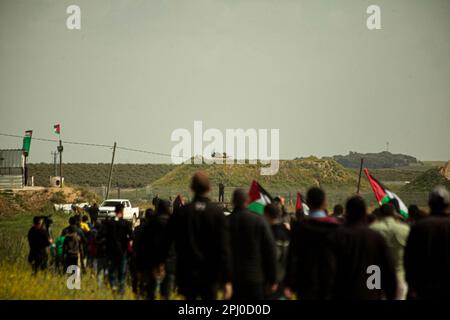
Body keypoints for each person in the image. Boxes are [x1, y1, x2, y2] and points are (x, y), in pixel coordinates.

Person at [162, 171, 232, 300]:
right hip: (211, 272)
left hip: (186, 271)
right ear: (210, 188)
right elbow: (224, 248)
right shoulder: (217, 213)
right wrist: (227, 278)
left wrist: (161, 263)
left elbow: (166, 241)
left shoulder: (181, 213)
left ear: (192, 188)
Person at [332, 196, 397, 300]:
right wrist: (390, 293)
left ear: (347, 213)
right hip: (370, 292)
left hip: (342, 293)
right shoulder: (375, 237)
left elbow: (328, 268)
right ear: (364, 213)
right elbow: (388, 268)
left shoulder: (336, 236)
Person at [285, 187, 340, 299]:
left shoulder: (299, 229)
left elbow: (292, 257)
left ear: (308, 203)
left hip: (305, 282)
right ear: (325, 203)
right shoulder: (337, 229)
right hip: (331, 282)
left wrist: (290, 284)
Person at [227, 189, 277, 300]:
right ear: (248, 201)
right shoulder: (259, 220)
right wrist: (272, 279)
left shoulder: (226, 222)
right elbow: (270, 250)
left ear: (233, 201)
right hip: (255, 278)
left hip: (232, 278)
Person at [404, 186, 450, 299]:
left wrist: (411, 286)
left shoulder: (419, 227)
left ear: (430, 203)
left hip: (424, 287)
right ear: (448, 204)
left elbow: (409, 259)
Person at [370, 203, 410, 299]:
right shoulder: (405, 229)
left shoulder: (371, 229)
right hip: (399, 276)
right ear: (394, 214)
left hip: (374, 276)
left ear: (379, 214)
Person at [138, 200, 176, 299]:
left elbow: (142, 246)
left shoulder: (150, 224)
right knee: (166, 294)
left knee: (151, 293)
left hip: (151, 263)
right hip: (169, 264)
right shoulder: (173, 224)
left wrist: (140, 267)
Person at [104, 203, 133, 296]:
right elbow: (132, 236)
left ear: (115, 211)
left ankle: (113, 286)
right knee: (122, 272)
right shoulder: (126, 223)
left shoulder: (109, 223)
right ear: (122, 211)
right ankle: (121, 291)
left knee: (111, 271)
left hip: (111, 252)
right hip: (123, 252)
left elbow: (104, 235)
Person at [263, 203, 290, 299]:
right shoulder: (286, 232)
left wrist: (273, 280)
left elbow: (274, 257)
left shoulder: (267, 233)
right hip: (284, 278)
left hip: (270, 279)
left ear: (266, 214)